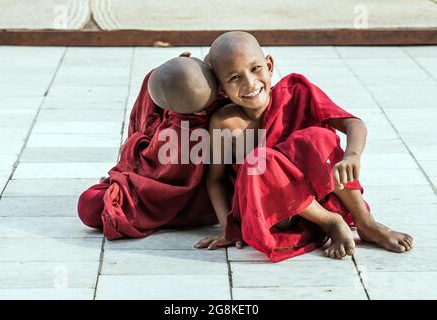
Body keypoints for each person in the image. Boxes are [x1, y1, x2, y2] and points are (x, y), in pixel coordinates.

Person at [194, 31, 413, 261]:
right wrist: (226, 228)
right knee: (260, 160)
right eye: (234, 78)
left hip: (320, 197)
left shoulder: (297, 92)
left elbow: (352, 123)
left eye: (255, 68)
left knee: (317, 138)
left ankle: (366, 222)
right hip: (275, 213)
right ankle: (331, 222)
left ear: (269, 65)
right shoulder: (224, 123)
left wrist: (352, 155)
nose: (250, 83)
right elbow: (215, 179)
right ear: (221, 89)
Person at [77, 55, 226, 240]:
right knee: (163, 80)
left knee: (88, 204)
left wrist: (130, 149)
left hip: (174, 204)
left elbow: (147, 164)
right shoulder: (222, 107)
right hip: (208, 204)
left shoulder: (177, 134)